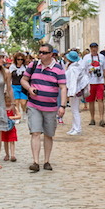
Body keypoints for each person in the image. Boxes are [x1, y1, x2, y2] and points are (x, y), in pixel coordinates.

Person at [21, 43, 67, 172]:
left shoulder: (58, 68)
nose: (41, 54)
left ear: (51, 54)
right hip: (34, 105)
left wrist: (62, 106)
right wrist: (30, 88)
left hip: (51, 107)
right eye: (40, 52)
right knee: (35, 132)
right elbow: (23, 80)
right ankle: (35, 161)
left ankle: (46, 161)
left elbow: (63, 88)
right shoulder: (33, 65)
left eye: (44, 52)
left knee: (48, 134)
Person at [82, 42, 105, 127]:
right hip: (90, 83)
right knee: (91, 101)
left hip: (99, 82)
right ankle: (92, 118)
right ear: (90, 49)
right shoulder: (86, 58)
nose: (94, 49)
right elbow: (83, 70)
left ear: (97, 48)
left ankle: (101, 118)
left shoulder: (101, 57)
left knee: (100, 100)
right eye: (92, 47)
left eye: (95, 47)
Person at [65, 50, 89, 135]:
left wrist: (71, 92)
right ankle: (74, 127)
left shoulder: (73, 69)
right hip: (77, 90)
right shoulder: (77, 66)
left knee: (75, 110)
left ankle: (78, 128)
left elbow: (72, 82)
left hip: (74, 91)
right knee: (74, 110)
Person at [10, 52, 28, 120]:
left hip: (23, 87)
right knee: (16, 103)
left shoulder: (25, 68)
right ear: (16, 60)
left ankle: (24, 111)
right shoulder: (12, 67)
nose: (20, 61)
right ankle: (18, 116)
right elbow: (9, 77)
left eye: (21, 59)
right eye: (18, 59)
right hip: (14, 86)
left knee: (23, 103)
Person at [2, 95, 21, 162]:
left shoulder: (13, 108)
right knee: (5, 141)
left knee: (12, 141)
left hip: (11, 127)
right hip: (4, 126)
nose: (7, 103)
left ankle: (12, 154)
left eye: (9, 101)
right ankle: (7, 154)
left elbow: (19, 116)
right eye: (6, 102)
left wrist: (13, 117)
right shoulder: (3, 108)